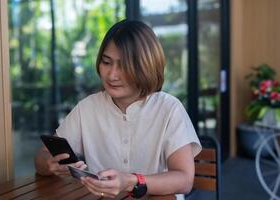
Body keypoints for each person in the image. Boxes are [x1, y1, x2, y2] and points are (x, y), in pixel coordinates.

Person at [35, 19, 201, 199]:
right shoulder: (87, 108)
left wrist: (132, 181)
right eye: (106, 62)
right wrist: (50, 164)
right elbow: (41, 158)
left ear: (146, 66)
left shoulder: (169, 108)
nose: (112, 75)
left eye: (123, 65)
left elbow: (184, 180)